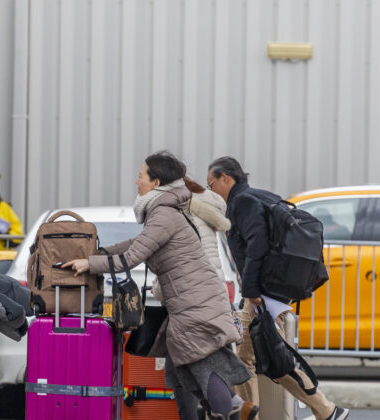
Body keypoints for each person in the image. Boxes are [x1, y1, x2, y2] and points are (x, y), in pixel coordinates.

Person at [64, 151, 258, 420]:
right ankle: (233, 405)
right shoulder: (163, 212)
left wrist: (90, 264)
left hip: (195, 305)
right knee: (182, 369)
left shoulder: (164, 213)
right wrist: (96, 253)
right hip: (191, 303)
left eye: (141, 175)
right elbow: (136, 244)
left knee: (199, 363)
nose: (136, 181)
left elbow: (132, 256)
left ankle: (231, 407)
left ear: (156, 183)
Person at [207, 156, 349, 420]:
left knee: (248, 362)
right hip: (268, 294)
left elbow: (257, 246)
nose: (210, 190)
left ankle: (324, 411)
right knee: (270, 360)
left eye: (211, 184)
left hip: (262, 296)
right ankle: (327, 410)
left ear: (226, 178)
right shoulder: (257, 197)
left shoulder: (243, 202)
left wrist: (250, 291)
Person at [153, 176, 234, 420]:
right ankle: (228, 409)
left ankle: (229, 409)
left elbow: (169, 266)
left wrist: (159, 291)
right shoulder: (207, 212)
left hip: (187, 304)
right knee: (212, 368)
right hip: (214, 301)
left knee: (184, 368)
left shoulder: (173, 216)